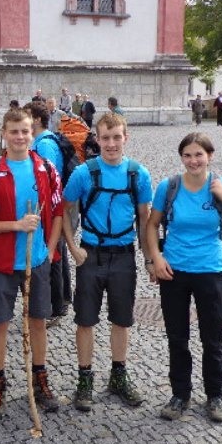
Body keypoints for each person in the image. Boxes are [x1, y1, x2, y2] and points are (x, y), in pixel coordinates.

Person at [145, 132, 222, 422]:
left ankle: (215, 395)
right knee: (177, 338)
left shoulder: (221, 186)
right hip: (174, 271)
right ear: (181, 157)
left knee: (212, 338)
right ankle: (180, 394)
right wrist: (155, 258)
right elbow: (151, 225)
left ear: (210, 156)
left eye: (198, 155)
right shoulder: (169, 187)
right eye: (187, 155)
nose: (193, 161)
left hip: (210, 270)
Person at [0, 107, 64, 421]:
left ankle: (40, 377)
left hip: (36, 262)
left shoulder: (46, 168)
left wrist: (49, 251)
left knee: (38, 321)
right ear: (3, 134)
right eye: (14, 131)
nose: (20, 137)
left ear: (32, 132)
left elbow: (58, 213)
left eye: (25, 131)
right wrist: (16, 225)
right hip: (1, 264)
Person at [62, 112, 152, 411]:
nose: (111, 144)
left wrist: (149, 258)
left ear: (125, 138)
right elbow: (65, 211)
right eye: (105, 138)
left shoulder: (138, 174)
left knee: (122, 320)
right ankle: (84, 379)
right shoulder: (83, 173)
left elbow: (145, 219)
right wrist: (72, 248)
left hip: (124, 255)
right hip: (91, 254)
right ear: (97, 140)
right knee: (85, 320)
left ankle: (118, 375)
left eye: (116, 137)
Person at [24, 102, 67, 325]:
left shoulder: (45, 144)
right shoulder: (40, 141)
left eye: (27, 116)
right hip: (45, 208)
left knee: (54, 256)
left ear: (37, 120)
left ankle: (55, 306)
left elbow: (52, 177)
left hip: (50, 208)